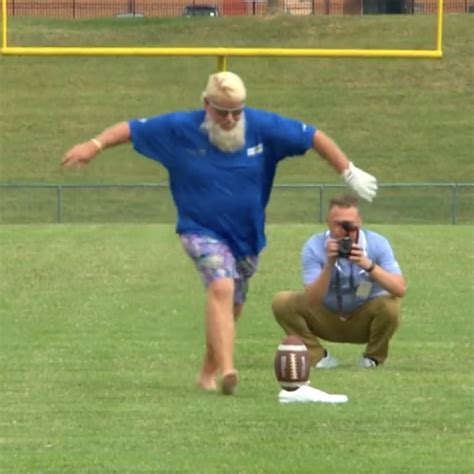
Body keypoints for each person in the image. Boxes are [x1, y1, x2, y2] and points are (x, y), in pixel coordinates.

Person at [62, 71, 378, 395]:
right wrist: (94, 145)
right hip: (199, 230)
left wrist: (348, 171)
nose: (229, 119)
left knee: (233, 305)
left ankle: (207, 374)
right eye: (221, 111)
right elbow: (130, 129)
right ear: (206, 104)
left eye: (236, 112)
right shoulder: (179, 129)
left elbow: (313, 137)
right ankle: (228, 370)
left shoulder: (262, 127)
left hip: (246, 237)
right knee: (222, 287)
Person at [272, 194, 406, 369]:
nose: (345, 230)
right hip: (326, 317)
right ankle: (318, 357)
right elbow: (312, 299)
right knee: (282, 302)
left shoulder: (377, 244)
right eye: (339, 225)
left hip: (362, 319)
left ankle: (373, 358)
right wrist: (329, 264)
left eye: (350, 225)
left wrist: (367, 264)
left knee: (391, 306)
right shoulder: (314, 246)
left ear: (360, 221)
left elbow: (400, 289)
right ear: (328, 222)